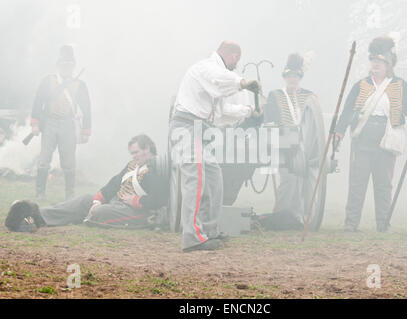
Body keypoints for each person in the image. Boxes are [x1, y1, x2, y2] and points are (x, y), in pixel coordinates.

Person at [169, 40, 260, 252]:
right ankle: (192, 237)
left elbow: (221, 112)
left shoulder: (214, 81)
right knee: (196, 181)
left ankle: (209, 231)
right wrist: (243, 82)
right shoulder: (206, 68)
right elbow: (220, 79)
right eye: (237, 60)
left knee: (213, 178)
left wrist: (249, 110)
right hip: (187, 126)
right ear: (234, 56)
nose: (236, 65)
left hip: (200, 130)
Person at [333, 36, 407, 232]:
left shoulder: (400, 85)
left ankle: (382, 225)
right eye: (373, 61)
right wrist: (339, 132)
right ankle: (350, 225)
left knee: (383, 185)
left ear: (389, 64)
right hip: (362, 139)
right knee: (357, 184)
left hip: (387, 139)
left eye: (380, 62)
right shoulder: (360, 85)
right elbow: (347, 111)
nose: (375, 65)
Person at [5, 134, 168, 232]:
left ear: (147, 148)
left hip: (137, 212)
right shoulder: (133, 165)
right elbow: (114, 184)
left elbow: (159, 199)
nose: (134, 156)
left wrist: (135, 201)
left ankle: (90, 216)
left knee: (100, 212)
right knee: (84, 200)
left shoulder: (158, 168)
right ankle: (34, 215)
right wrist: (97, 200)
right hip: (116, 204)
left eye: (136, 152)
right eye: (132, 153)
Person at [261, 53, 325, 230]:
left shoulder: (310, 96)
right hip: (285, 143)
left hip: (306, 145)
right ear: (284, 78)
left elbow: (315, 122)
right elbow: (271, 119)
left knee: (304, 181)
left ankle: (299, 216)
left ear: (300, 78)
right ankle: (281, 215)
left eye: (295, 76)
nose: (292, 80)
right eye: (289, 76)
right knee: (289, 180)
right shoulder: (275, 95)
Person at [31, 45, 92, 200]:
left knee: (69, 161)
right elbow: (38, 102)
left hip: (68, 124)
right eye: (64, 64)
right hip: (50, 122)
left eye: (69, 65)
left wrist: (86, 130)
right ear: (58, 65)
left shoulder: (80, 85)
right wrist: (35, 123)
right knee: (44, 159)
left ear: (73, 66)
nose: (66, 67)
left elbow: (86, 109)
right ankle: (40, 193)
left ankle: (69, 194)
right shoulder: (48, 80)